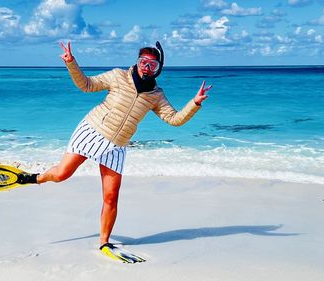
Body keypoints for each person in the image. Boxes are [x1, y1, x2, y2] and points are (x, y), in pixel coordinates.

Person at [22, 41, 212, 262]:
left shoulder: (156, 95)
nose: (146, 67)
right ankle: (34, 178)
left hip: (117, 145)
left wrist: (195, 103)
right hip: (93, 130)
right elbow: (87, 85)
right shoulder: (118, 76)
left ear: (158, 68)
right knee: (62, 174)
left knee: (111, 197)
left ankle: (104, 242)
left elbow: (174, 119)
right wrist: (71, 63)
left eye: (152, 64)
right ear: (137, 61)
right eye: (143, 62)